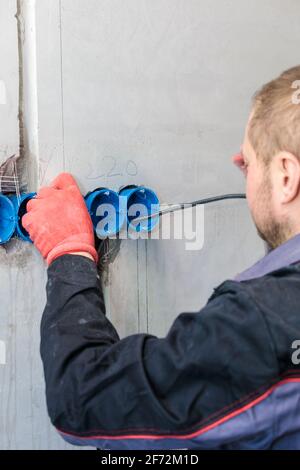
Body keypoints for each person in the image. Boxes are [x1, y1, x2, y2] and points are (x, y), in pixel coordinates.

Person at [23, 66, 300, 450]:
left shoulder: (261, 323)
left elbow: (83, 402)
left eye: (251, 158)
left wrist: (67, 252)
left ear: (287, 176)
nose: (238, 161)